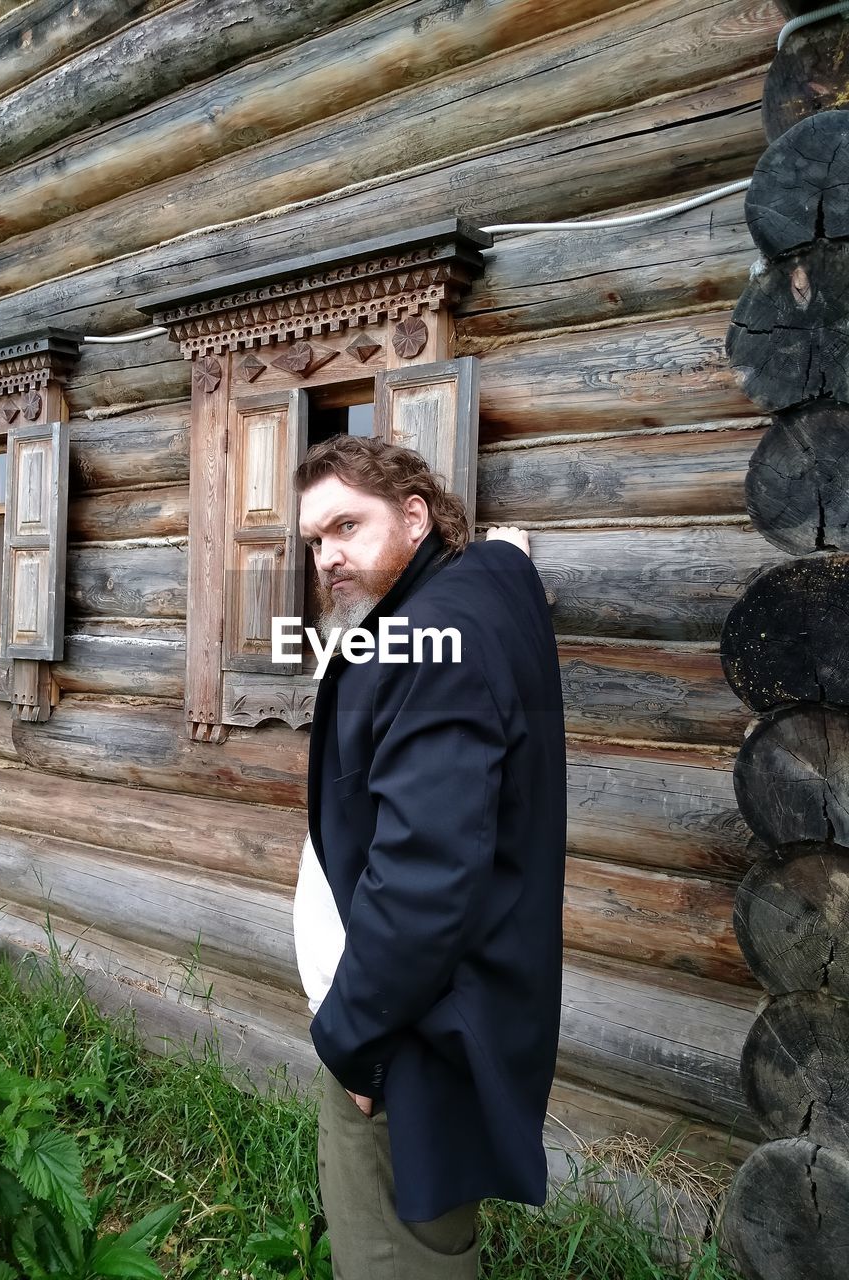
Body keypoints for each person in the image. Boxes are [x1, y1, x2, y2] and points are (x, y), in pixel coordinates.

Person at [291, 435, 566, 1279]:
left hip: (404, 1036)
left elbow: (426, 876)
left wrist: (354, 1041)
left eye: (347, 525)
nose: (329, 556)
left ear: (415, 516)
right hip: (425, 1018)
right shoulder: (456, 603)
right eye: (314, 541)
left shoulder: (434, 635)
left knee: (394, 1256)